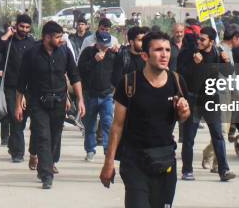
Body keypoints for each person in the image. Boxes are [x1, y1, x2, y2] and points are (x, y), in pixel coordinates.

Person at [99, 31, 191, 207]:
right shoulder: (129, 83)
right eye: (158, 50)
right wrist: (108, 162)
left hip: (165, 161)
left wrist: (183, 110)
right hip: (134, 162)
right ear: (144, 55)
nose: (164, 54)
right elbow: (117, 126)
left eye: (167, 49)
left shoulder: (177, 82)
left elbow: (183, 118)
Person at [15, 21, 85, 189]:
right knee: (43, 136)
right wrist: (18, 104)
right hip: (38, 102)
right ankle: (47, 175)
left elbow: (74, 77)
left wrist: (80, 99)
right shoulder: (32, 54)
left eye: (61, 36)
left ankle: (46, 164)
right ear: (47, 37)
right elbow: (21, 82)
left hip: (59, 101)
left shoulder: (65, 52)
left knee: (55, 136)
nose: (61, 40)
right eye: (58, 37)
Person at [180, 26, 236, 182]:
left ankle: (224, 170)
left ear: (211, 41)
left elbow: (228, 72)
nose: (199, 41)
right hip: (194, 99)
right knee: (189, 138)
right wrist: (197, 63)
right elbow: (184, 73)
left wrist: (226, 61)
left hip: (211, 99)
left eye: (203, 39)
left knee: (218, 135)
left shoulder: (218, 53)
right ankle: (187, 170)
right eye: (199, 38)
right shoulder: (191, 53)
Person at [202, 26, 239, 173]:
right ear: (234, 38)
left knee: (222, 131)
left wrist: (237, 93)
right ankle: (215, 161)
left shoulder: (228, 51)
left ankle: (212, 158)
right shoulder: (220, 51)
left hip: (226, 94)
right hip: (219, 94)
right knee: (222, 132)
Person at [0, 14, 37, 163]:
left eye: (27, 27)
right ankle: (18, 153)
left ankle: (13, 144)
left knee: (24, 120)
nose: (24, 29)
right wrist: (8, 34)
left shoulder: (32, 43)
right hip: (12, 86)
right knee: (16, 118)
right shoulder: (8, 42)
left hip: (29, 88)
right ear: (16, 26)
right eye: (22, 26)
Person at [78, 31, 117, 162]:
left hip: (107, 94)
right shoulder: (88, 52)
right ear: (97, 42)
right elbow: (80, 70)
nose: (105, 47)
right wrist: (94, 60)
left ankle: (107, 149)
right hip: (90, 94)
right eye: (102, 44)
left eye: (107, 44)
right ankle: (90, 149)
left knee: (107, 122)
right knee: (90, 124)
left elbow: (121, 67)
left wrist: (119, 51)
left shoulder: (112, 54)